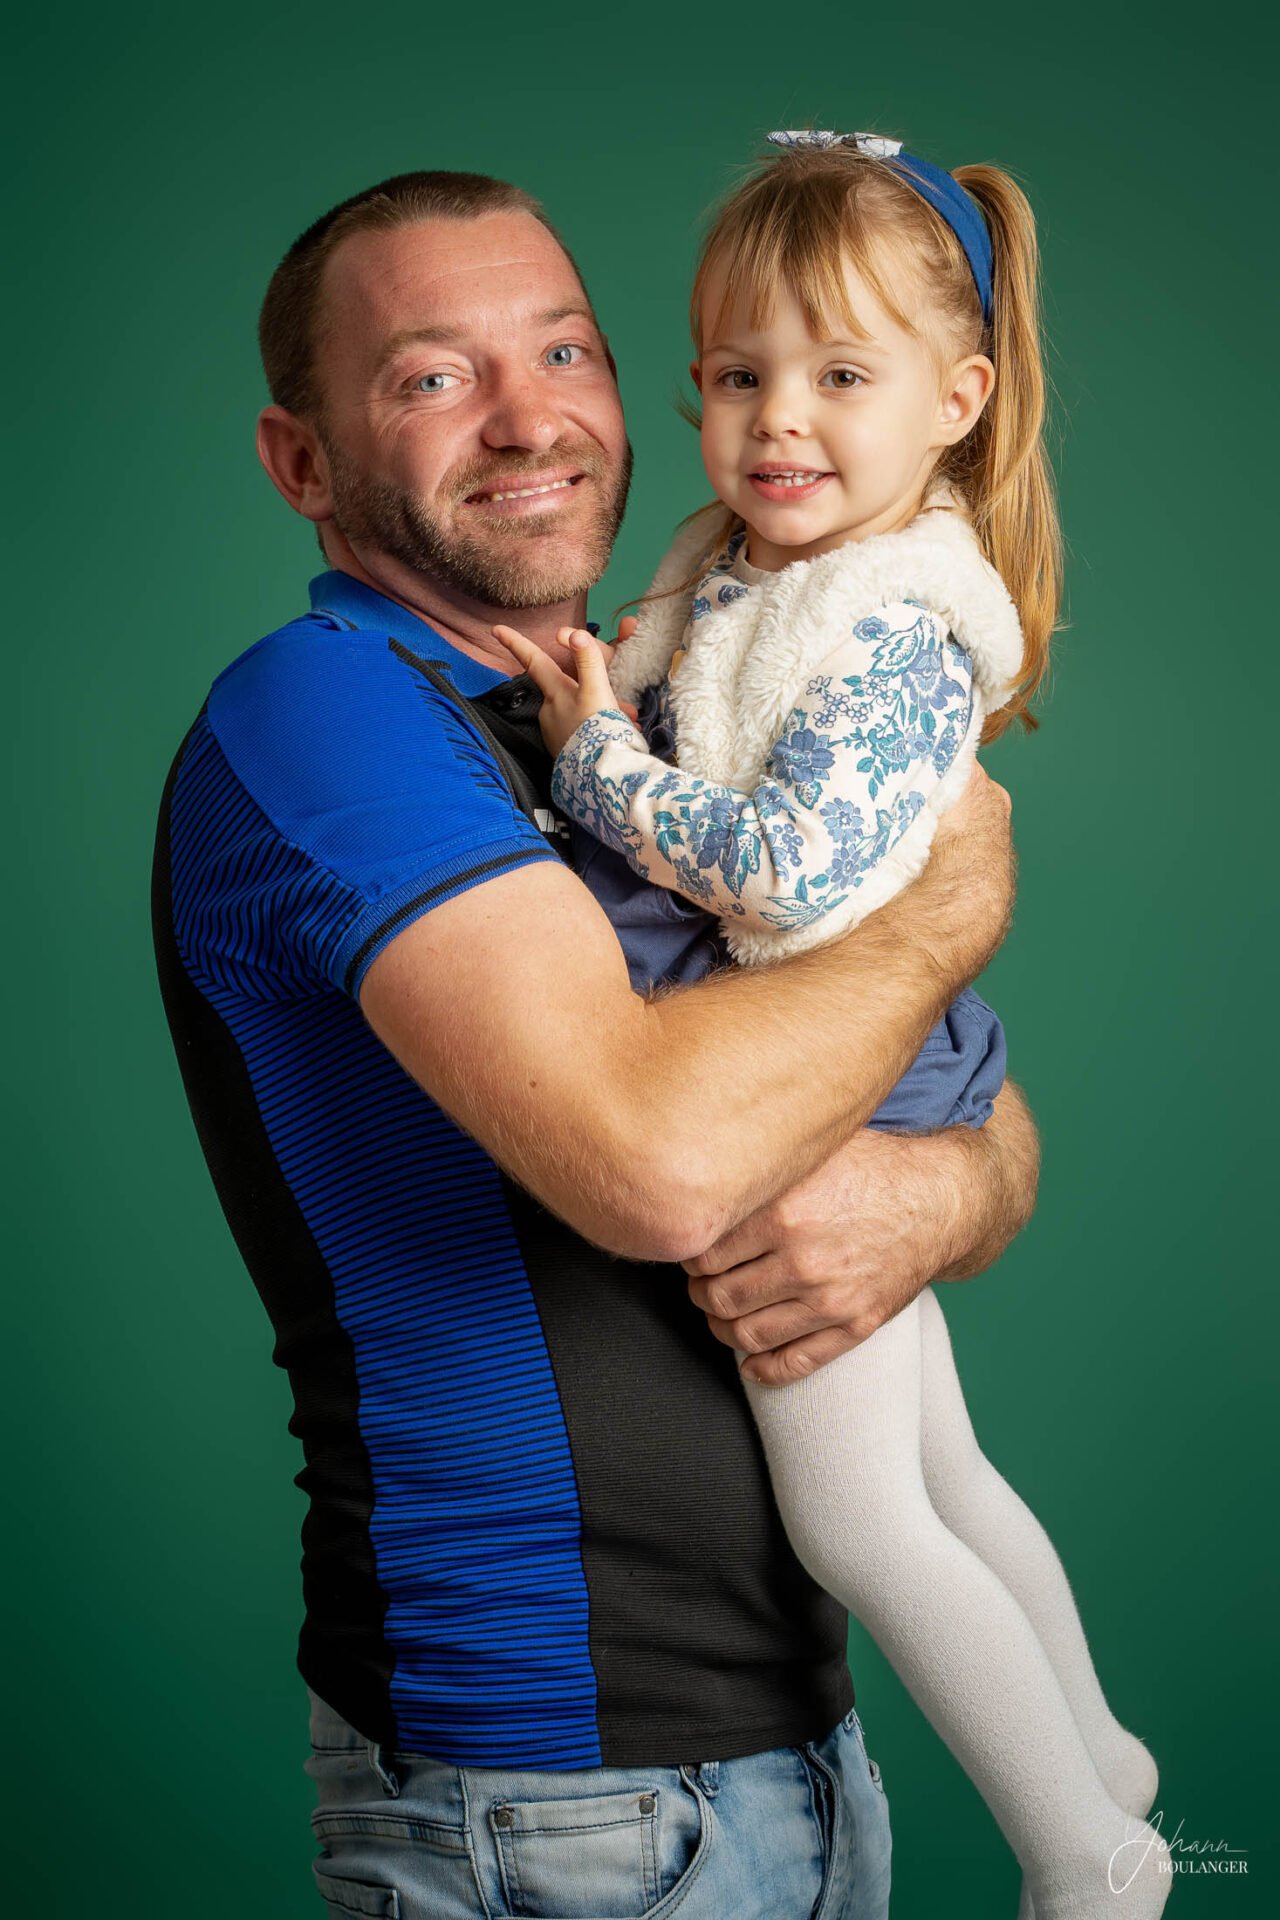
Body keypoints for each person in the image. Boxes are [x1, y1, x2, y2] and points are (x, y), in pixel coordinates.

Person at [151, 168, 1039, 1919]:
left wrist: (949, 1192)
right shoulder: (328, 711)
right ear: (302, 463)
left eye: (565, 349)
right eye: (431, 375)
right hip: (557, 1790)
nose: (527, 415)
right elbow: (666, 1157)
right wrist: (949, 911)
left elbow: (920, 1078)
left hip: (794, 1752)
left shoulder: (650, 697)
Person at [498, 132, 1168, 1920]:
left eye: (841, 377)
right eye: (736, 375)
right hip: (825, 1044)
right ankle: (1104, 1753)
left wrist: (597, 767)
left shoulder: (897, 625)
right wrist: (608, 687)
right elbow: (666, 666)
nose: (777, 420)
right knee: (943, 1465)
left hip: (837, 1068)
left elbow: (790, 878)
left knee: (858, 1521)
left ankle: (1087, 1851)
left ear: (956, 402)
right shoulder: (746, 551)